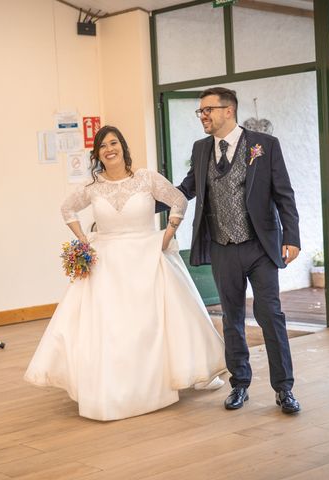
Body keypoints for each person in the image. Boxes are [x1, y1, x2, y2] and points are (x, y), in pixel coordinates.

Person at [24, 125, 226, 421]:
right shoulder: (93, 188)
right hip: (107, 264)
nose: (109, 149)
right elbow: (67, 209)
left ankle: (163, 380)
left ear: (123, 147)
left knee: (153, 323)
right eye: (103, 146)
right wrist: (84, 241)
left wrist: (168, 233)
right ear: (97, 154)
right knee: (112, 328)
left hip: (147, 256)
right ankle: (113, 387)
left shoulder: (146, 179)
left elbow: (179, 200)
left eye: (114, 142)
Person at [174, 87, 301, 414]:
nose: (203, 116)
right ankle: (240, 384)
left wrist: (293, 237)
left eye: (207, 110)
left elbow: (284, 194)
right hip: (222, 247)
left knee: (270, 316)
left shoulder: (264, 145)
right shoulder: (201, 149)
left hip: (260, 246)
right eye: (200, 111)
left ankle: (284, 389)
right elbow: (188, 188)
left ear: (227, 110)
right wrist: (148, 199)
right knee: (231, 318)